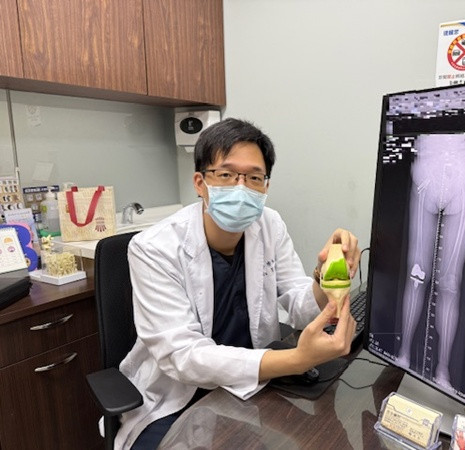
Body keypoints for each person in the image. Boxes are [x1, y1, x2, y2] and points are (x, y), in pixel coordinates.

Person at [115, 118, 359, 449]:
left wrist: (324, 274)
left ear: (265, 187)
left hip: (252, 386)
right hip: (177, 398)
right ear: (200, 183)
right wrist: (298, 360)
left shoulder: (270, 225)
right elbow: (183, 357)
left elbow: (299, 305)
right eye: (227, 175)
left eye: (254, 178)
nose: (241, 188)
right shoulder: (154, 247)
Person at [396, 132, 465, 390]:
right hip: (430, 160)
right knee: (416, 273)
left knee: (450, 282)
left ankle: (443, 370)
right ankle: (403, 356)